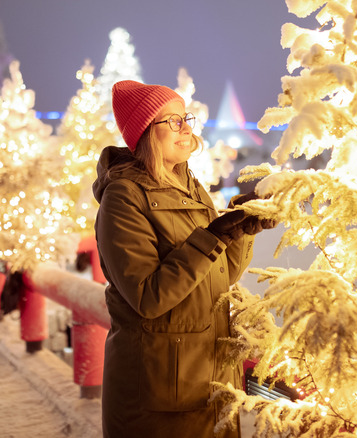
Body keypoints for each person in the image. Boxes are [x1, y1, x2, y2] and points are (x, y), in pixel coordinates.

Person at [93, 80, 276, 438]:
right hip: (159, 392)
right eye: (173, 121)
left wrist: (242, 223)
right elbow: (149, 296)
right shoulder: (123, 198)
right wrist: (215, 235)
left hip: (209, 380)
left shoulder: (189, 187)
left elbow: (221, 275)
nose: (187, 128)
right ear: (146, 132)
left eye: (186, 118)